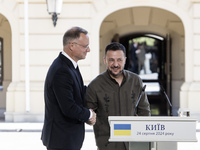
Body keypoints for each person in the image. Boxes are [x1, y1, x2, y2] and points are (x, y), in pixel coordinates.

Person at [85, 42, 150, 150]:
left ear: (125, 60)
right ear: (105, 60)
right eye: (111, 60)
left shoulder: (136, 81)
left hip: (134, 144)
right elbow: (89, 115)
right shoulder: (95, 85)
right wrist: (89, 118)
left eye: (119, 60)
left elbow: (144, 112)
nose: (115, 64)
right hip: (108, 145)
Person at [41, 26, 96, 150]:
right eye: (85, 46)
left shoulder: (70, 65)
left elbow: (79, 92)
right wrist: (88, 114)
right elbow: (69, 107)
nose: (88, 49)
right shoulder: (62, 70)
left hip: (66, 139)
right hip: (61, 140)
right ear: (71, 45)